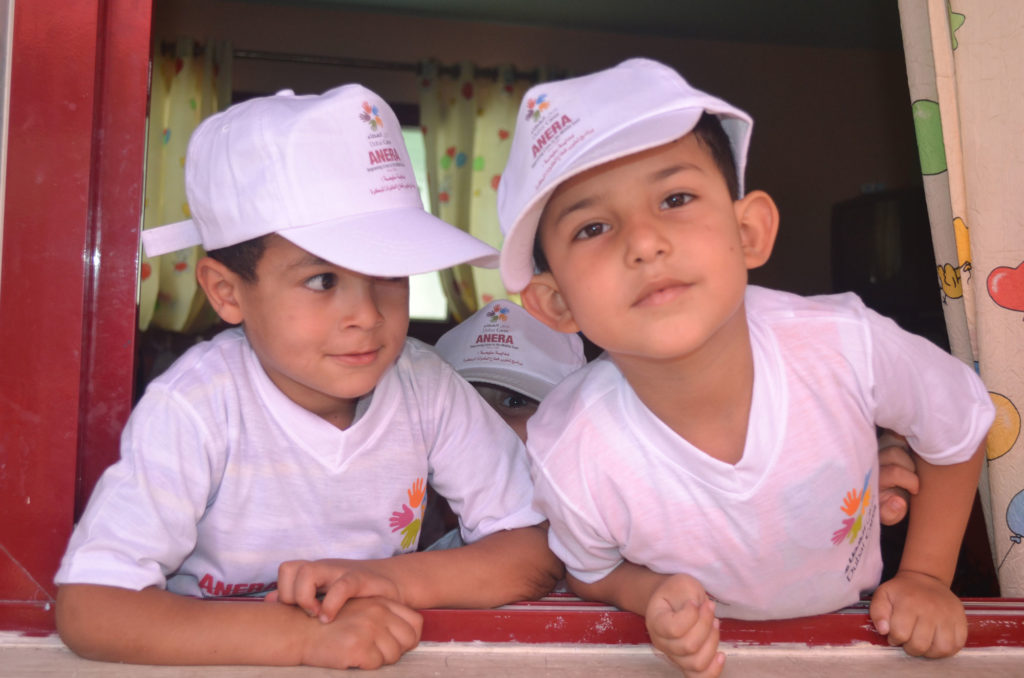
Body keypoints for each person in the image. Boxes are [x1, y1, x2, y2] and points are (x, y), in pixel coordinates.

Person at [495, 58, 994, 675]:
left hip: (860, 639)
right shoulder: (571, 447)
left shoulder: (844, 345)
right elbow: (591, 569)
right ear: (557, 303)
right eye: (593, 226)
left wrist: (924, 575)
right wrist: (648, 594)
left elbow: (960, 422)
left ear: (750, 230)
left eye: (675, 198)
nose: (644, 242)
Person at [54, 84, 561, 671]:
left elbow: (534, 546)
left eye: (390, 275)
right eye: (322, 281)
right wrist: (304, 641)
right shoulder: (197, 405)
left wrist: (386, 581)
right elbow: (92, 608)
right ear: (226, 292)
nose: (368, 316)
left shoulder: (423, 384)